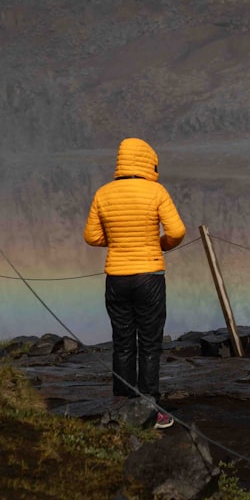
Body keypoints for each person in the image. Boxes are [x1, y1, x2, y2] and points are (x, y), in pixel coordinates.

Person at [84, 137, 186, 429]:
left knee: (123, 341)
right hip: (149, 276)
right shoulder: (156, 191)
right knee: (150, 343)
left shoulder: (103, 193)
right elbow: (177, 230)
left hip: (116, 276)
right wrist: (160, 244)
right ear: (148, 161)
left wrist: (116, 241)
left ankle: (122, 402)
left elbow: (91, 236)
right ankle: (151, 407)